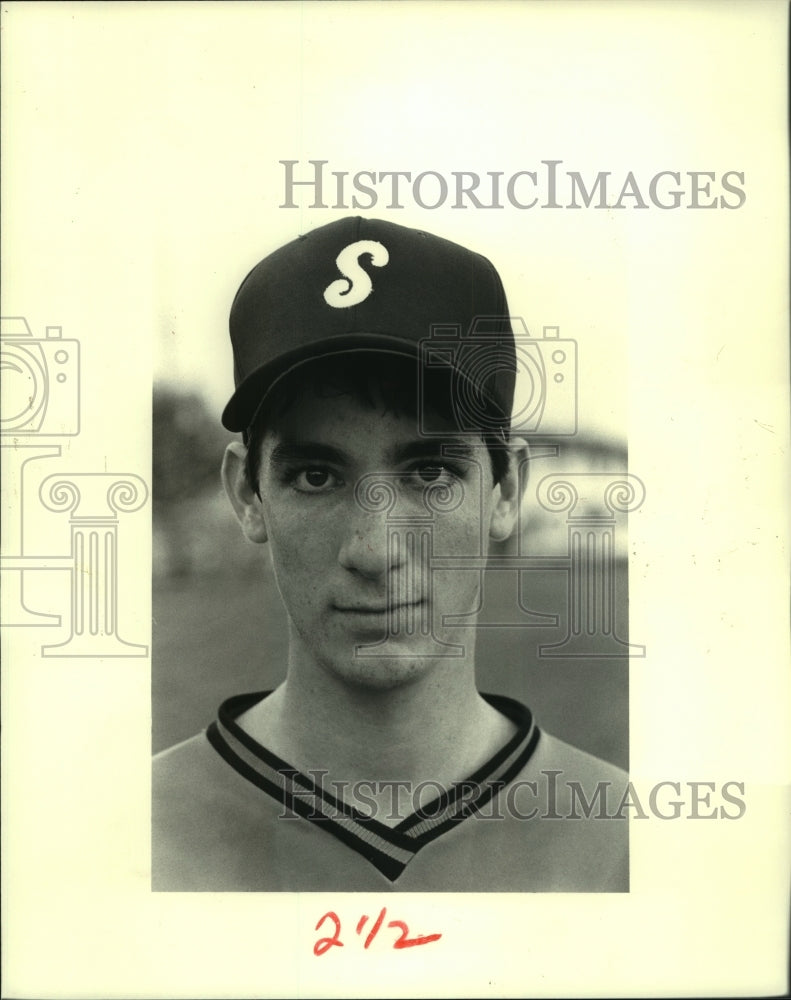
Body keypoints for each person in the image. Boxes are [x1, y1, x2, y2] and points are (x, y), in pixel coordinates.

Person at [152, 217, 628, 892]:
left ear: (505, 489)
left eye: (430, 472)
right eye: (316, 476)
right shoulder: (120, 842)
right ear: (246, 493)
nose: (374, 550)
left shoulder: (631, 843)